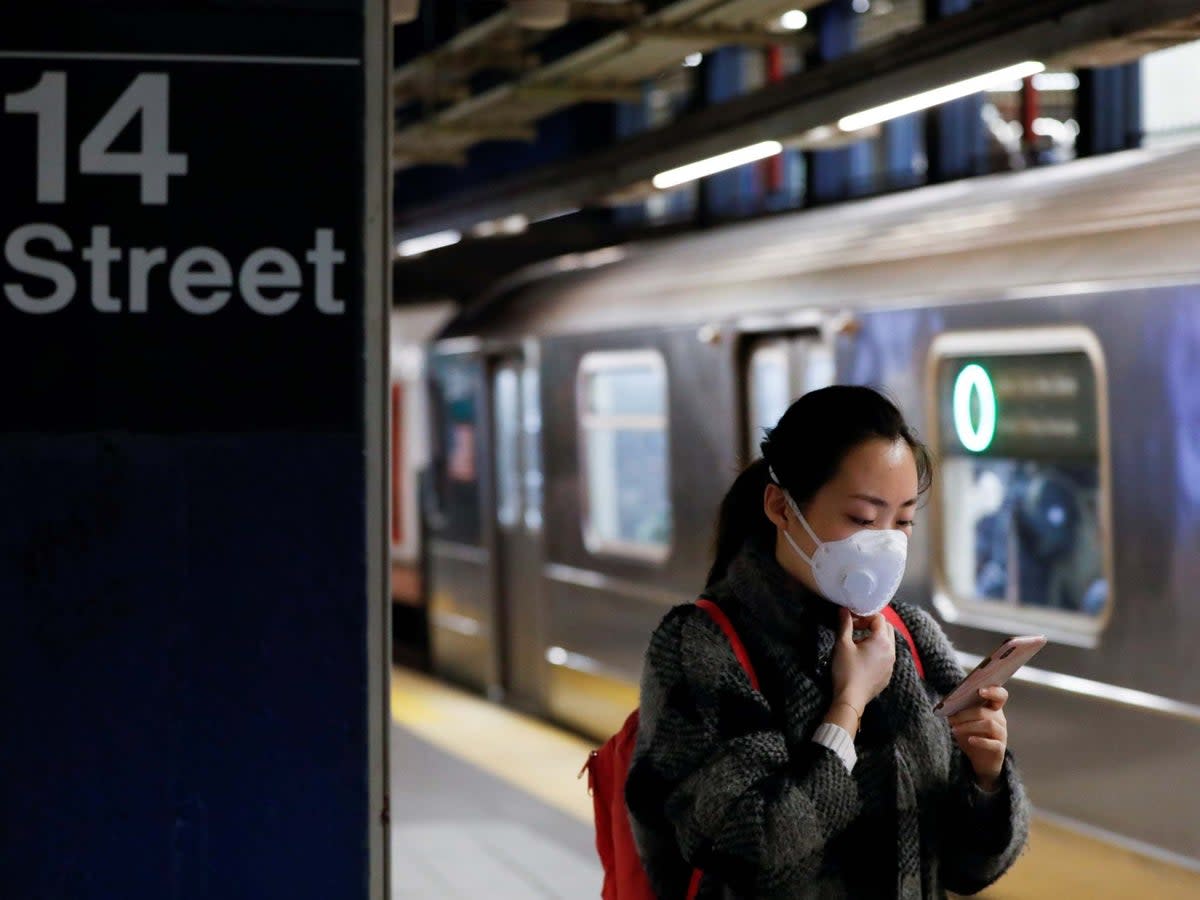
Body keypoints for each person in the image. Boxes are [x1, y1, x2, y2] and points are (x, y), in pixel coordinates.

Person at [626, 386, 1030, 898]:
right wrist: (847, 706)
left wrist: (986, 776)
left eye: (902, 520)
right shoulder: (702, 645)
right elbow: (749, 856)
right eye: (862, 519)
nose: (884, 543)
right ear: (781, 506)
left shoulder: (909, 632)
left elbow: (970, 869)